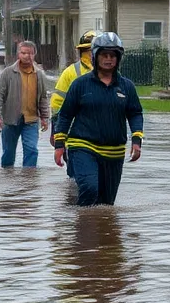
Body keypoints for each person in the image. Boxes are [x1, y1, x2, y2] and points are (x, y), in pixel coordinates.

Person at [53, 32, 144, 206]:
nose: (108, 59)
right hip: (83, 146)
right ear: (95, 56)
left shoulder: (127, 87)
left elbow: (135, 113)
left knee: (106, 204)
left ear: (118, 58)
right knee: (89, 188)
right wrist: (59, 145)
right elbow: (65, 115)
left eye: (112, 55)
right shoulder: (80, 84)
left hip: (114, 152)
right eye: (104, 55)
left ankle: (102, 232)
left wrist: (137, 140)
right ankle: (82, 229)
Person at [0, 40, 50, 168]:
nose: (26, 56)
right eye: (23, 53)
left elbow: (43, 98)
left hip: (31, 120)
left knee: (32, 150)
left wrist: (45, 118)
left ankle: (28, 182)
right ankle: (9, 181)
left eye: (30, 53)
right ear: (18, 54)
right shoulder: (8, 73)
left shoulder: (39, 74)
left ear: (34, 54)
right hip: (10, 120)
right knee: (8, 153)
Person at [51, 29, 97, 178]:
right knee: (76, 177)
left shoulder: (111, 74)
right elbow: (57, 104)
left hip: (102, 136)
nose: (91, 55)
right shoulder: (70, 73)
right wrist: (57, 132)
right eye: (88, 51)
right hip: (74, 134)